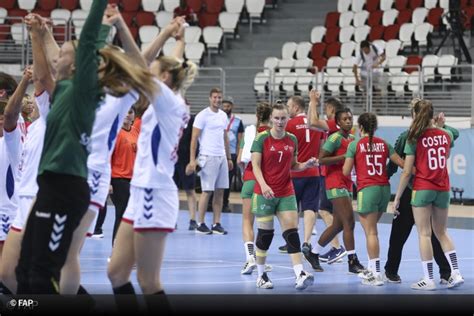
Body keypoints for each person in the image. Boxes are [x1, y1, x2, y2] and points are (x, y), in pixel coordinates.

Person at [15, 0, 157, 294]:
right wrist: (43, 33)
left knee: (66, 255)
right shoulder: (74, 85)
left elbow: (140, 68)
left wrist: (114, 24)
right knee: (42, 257)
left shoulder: (116, 93)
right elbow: (62, 58)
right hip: (65, 171)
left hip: (87, 174)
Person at [107, 17, 198, 314]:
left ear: (164, 79)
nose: (150, 73)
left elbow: (137, 64)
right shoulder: (174, 97)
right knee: (117, 273)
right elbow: (175, 65)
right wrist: (178, 36)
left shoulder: (168, 102)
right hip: (140, 190)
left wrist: (122, 26)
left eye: (156, 72)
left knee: (148, 281)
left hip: (154, 192)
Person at [384, 98, 458, 284]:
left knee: (428, 234)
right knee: (426, 233)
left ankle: (440, 274)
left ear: (414, 114)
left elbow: (404, 168)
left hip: (417, 188)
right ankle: (392, 270)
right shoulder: (409, 135)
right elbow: (396, 160)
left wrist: (395, 193)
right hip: (432, 188)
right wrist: (441, 125)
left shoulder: (413, 137)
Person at [251, 102, 317, 290]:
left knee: (291, 233)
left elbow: (294, 165)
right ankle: (261, 274)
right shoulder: (262, 139)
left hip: (286, 191)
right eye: (277, 118)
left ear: (289, 118)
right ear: (271, 119)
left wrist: (306, 165)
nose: (280, 122)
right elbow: (255, 165)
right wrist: (263, 185)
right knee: (265, 235)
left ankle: (299, 273)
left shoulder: (292, 140)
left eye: (283, 118)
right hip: (264, 193)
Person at [343, 112, 404, 286]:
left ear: (360, 127)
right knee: (372, 230)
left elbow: (346, 172)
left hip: (367, 189)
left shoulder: (355, 145)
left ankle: (375, 274)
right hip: (384, 189)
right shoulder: (384, 144)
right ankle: (372, 268)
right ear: (375, 127)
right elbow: (400, 162)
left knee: (371, 232)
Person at [310, 107, 366, 274]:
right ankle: (352, 261)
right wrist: (344, 157)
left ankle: (313, 253)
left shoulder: (351, 138)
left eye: (350, 118)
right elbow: (321, 159)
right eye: (344, 119)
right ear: (338, 122)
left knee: (338, 225)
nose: (348, 121)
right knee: (350, 222)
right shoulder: (334, 138)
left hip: (346, 183)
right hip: (335, 184)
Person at [281, 95, 324, 272]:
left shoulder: (289, 124)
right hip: (313, 171)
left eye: (289, 106)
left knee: (291, 209)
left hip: (294, 172)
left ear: (296, 107)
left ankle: (292, 241)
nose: (288, 109)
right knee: (310, 208)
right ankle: (306, 241)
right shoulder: (317, 123)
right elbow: (322, 146)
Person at [306, 91, 346, 264]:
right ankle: (337, 248)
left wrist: (313, 101)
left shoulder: (333, 124)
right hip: (339, 175)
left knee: (324, 210)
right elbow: (310, 124)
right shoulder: (340, 128)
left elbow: (313, 122)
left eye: (327, 109)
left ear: (331, 110)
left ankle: (337, 247)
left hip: (331, 175)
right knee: (335, 215)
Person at [186, 87, 233, 235]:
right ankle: (200, 223)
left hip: (221, 157)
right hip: (207, 156)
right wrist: (192, 160)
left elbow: (225, 137)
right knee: (207, 191)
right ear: (210, 98)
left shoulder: (223, 116)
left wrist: (229, 157)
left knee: (220, 191)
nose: (217, 100)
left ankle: (216, 223)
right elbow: (193, 139)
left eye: (219, 97)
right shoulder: (202, 115)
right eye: (215, 97)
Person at [0, 68, 31, 294]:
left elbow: (10, 115)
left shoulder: (11, 122)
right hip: (10, 203)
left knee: (8, 275)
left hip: (6, 208)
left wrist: (26, 80)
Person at [237, 101, 272, 274]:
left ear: (257, 116)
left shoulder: (250, 131)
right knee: (264, 225)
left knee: (247, 221)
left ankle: (250, 258)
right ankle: (260, 260)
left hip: (250, 179)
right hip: (268, 183)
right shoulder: (275, 134)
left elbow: (240, 160)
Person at [108, 106, 139, 244]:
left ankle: (126, 249)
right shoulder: (115, 133)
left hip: (133, 180)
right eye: (125, 112)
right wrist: (108, 182)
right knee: (121, 213)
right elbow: (108, 157)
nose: (127, 114)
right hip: (118, 179)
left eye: (130, 112)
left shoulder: (135, 132)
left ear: (134, 115)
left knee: (131, 215)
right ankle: (116, 247)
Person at [174, 110, 199, 230]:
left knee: (190, 190)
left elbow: (194, 140)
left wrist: (192, 161)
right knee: (172, 191)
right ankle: (172, 220)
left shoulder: (191, 120)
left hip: (186, 160)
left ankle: (193, 219)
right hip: (171, 160)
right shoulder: (169, 117)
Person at [222, 98, 244, 213]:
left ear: (232, 106)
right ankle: (211, 203)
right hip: (219, 153)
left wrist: (238, 155)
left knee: (228, 180)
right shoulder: (218, 118)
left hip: (232, 154)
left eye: (228, 106)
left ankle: (225, 203)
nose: (226, 108)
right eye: (224, 106)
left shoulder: (237, 121)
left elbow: (240, 140)